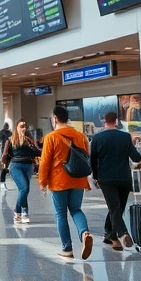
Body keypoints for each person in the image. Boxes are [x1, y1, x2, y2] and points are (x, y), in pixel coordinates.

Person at [38, 105, 95, 260]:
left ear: (55, 118)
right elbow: (86, 156)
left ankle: (67, 248)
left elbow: (45, 162)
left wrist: (42, 182)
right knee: (76, 209)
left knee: (61, 214)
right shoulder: (80, 136)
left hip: (59, 181)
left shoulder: (51, 137)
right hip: (78, 179)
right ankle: (85, 233)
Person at [90, 111, 141, 251]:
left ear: (104, 121)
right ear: (117, 121)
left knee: (114, 208)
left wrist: (96, 177)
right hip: (124, 178)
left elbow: (93, 160)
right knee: (117, 208)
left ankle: (118, 235)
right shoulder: (125, 137)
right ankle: (110, 235)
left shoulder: (97, 138)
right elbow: (136, 157)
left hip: (106, 179)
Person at [2, 119, 41, 224]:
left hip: (28, 166)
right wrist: (5, 164)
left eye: (25, 126)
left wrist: (35, 145)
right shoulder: (10, 140)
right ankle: (18, 211)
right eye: (21, 126)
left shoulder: (28, 140)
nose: (24, 128)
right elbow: (6, 154)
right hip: (16, 166)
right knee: (24, 188)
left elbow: (36, 152)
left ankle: (23, 213)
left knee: (23, 190)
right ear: (17, 128)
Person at [0, 122, 13, 191]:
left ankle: (2, 183)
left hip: (7, 151)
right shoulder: (6, 132)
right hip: (5, 151)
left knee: (6, 166)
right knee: (5, 167)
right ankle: (2, 183)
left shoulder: (3, 133)